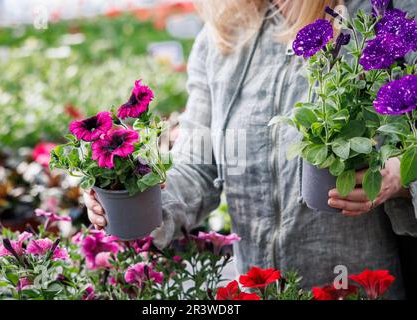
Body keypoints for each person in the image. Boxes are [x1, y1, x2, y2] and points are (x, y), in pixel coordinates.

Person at [85, 0, 417, 299]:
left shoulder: (385, 18)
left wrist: (399, 177)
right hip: (256, 290)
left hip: (355, 289)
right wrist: (130, 192)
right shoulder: (224, 36)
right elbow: (196, 165)